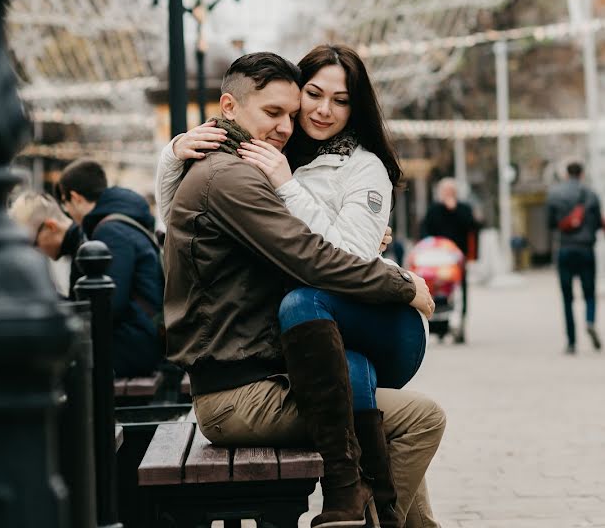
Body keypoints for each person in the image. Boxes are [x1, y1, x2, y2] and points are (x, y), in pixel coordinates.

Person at [161, 51, 442, 528]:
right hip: (244, 383)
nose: (302, 119)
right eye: (294, 104)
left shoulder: (283, 162)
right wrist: (400, 282)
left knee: (365, 395)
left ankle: (359, 507)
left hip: (276, 360)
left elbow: (340, 252)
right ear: (229, 108)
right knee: (417, 419)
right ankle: (369, 513)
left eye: (338, 101)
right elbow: (309, 256)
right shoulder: (240, 171)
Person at [57, 160, 164, 378]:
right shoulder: (122, 221)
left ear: (75, 198)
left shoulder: (110, 232)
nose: (68, 213)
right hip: (145, 337)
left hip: (136, 344)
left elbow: (110, 303)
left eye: (65, 204)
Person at [546, 161, 603, 354]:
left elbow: (551, 224)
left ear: (565, 174)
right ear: (582, 174)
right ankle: (589, 320)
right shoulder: (591, 195)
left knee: (567, 298)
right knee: (589, 293)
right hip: (586, 248)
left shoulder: (555, 194)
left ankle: (571, 342)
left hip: (565, 248)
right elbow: (597, 224)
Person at [420, 177, 480, 330]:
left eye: (450, 191)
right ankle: (436, 321)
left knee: (460, 290)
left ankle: (461, 319)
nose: (447, 194)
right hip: (437, 259)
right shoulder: (433, 209)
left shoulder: (464, 209)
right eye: (445, 191)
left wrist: (454, 210)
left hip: (459, 258)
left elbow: (472, 228)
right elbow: (425, 230)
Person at [9, 191, 86, 298]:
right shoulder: (78, 243)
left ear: (51, 226)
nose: (34, 252)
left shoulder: (82, 249)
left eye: (34, 244)